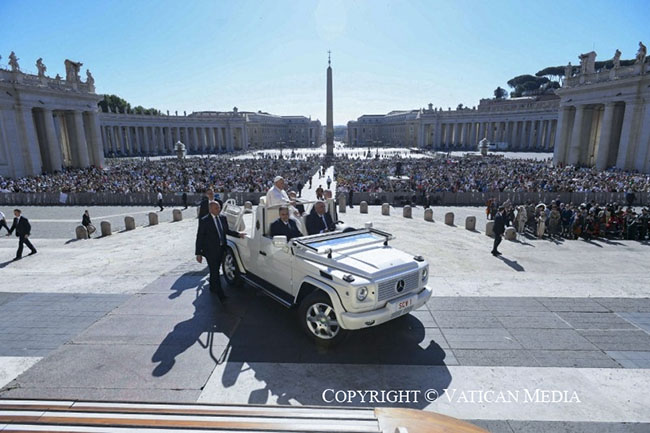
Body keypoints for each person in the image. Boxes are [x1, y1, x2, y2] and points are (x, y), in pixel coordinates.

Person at [195, 200, 245, 301]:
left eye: (219, 207)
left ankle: (212, 287)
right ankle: (220, 294)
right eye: (216, 208)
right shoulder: (205, 221)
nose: (219, 209)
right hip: (210, 251)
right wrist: (198, 253)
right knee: (215, 271)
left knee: (216, 270)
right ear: (210, 209)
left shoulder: (223, 218)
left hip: (222, 249)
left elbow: (226, 231)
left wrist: (238, 234)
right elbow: (200, 237)